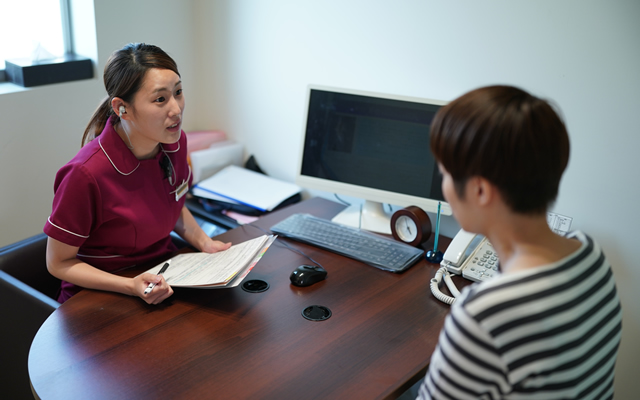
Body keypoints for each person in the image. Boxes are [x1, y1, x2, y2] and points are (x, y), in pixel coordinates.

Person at [417, 85, 622, 399]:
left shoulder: (483, 316)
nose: (444, 185)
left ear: (480, 192)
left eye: (444, 173)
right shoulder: (590, 256)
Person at [44, 43, 231, 305]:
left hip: (162, 278)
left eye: (178, 92)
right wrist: (130, 286)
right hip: (98, 298)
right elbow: (58, 262)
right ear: (122, 108)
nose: (176, 109)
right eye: (160, 99)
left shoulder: (174, 144)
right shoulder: (85, 174)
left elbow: (173, 201)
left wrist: (204, 242)